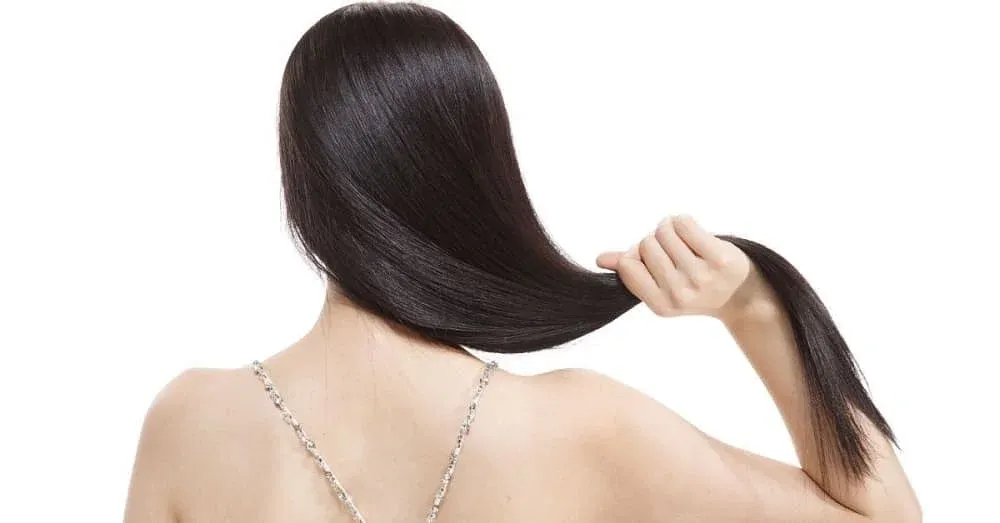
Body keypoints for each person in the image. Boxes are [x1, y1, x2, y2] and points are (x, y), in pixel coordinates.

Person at [123, 2, 921, 522]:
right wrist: (755, 305)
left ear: (303, 181)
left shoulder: (190, 421)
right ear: (481, 177)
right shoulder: (585, 426)